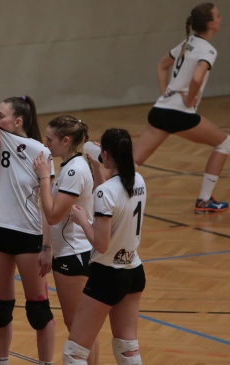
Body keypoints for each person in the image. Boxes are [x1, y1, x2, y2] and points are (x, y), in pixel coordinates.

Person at [0, 96, 55, 365]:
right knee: (0, 310)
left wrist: (47, 247)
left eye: (1, 115)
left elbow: (48, 207)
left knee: (39, 311)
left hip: (29, 235)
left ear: (17, 121)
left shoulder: (40, 152)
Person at [133, 2, 230, 213]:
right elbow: (197, 78)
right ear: (211, 24)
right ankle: (204, 201)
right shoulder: (208, 50)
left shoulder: (187, 43)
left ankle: (90, 196)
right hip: (180, 114)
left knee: (131, 163)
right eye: (218, 16)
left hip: (160, 110)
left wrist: (165, 93)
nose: (221, 19)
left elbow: (161, 65)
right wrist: (189, 99)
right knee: (224, 144)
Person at [63, 128, 146, 365]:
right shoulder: (138, 181)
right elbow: (111, 196)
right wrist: (99, 167)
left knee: (75, 353)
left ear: (106, 154)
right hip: (133, 271)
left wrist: (82, 221)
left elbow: (101, 243)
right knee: (127, 349)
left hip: (107, 275)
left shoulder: (106, 191)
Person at [34, 115, 106, 365]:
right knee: (83, 327)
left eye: (50, 139)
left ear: (65, 141)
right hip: (75, 252)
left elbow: (53, 215)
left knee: (78, 327)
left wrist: (44, 178)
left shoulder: (74, 171)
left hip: (73, 255)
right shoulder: (71, 166)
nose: (46, 144)